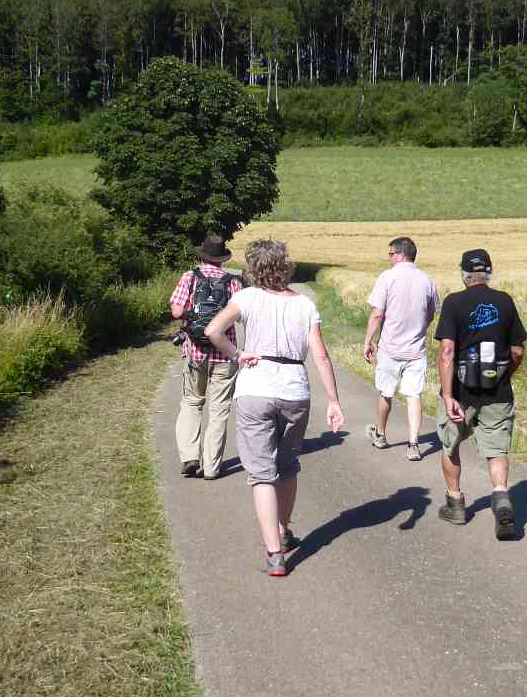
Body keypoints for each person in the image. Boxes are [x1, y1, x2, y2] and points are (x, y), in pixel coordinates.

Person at [204, 240, 345, 577]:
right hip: (295, 391)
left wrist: (238, 355)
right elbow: (321, 355)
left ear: (252, 268)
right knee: (288, 466)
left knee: (261, 474)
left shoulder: (246, 298)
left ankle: (274, 553)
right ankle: (283, 530)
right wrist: (334, 400)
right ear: (285, 266)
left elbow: (213, 330)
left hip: (255, 389)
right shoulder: (305, 304)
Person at [434, 248, 527, 539]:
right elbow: (517, 350)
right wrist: (504, 376)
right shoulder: (504, 301)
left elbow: (447, 351)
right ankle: (501, 499)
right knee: (497, 450)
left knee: (450, 445)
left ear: (464, 274)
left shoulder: (454, 302)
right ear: (489, 272)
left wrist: (447, 395)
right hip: (497, 392)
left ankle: (455, 504)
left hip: (460, 392)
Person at [169, 234, 246, 480]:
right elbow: (240, 316)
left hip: (195, 352)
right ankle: (212, 467)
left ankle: (190, 457)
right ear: (222, 258)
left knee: (192, 402)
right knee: (219, 410)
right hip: (224, 352)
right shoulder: (233, 283)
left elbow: (176, 311)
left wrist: (194, 315)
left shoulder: (190, 277)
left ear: (202, 255)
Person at [362, 236, 440, 461]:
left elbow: (377, 313)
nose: (389, 258)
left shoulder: (387, 277)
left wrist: (368, 341)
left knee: (386, 392)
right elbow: (431, 313)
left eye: (390, 254)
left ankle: (380, 434)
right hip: (416, 350)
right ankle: (413, 445)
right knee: (414, 395)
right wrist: (419, 329)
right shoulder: (427, 280)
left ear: (399, 254)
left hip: (390, 348)